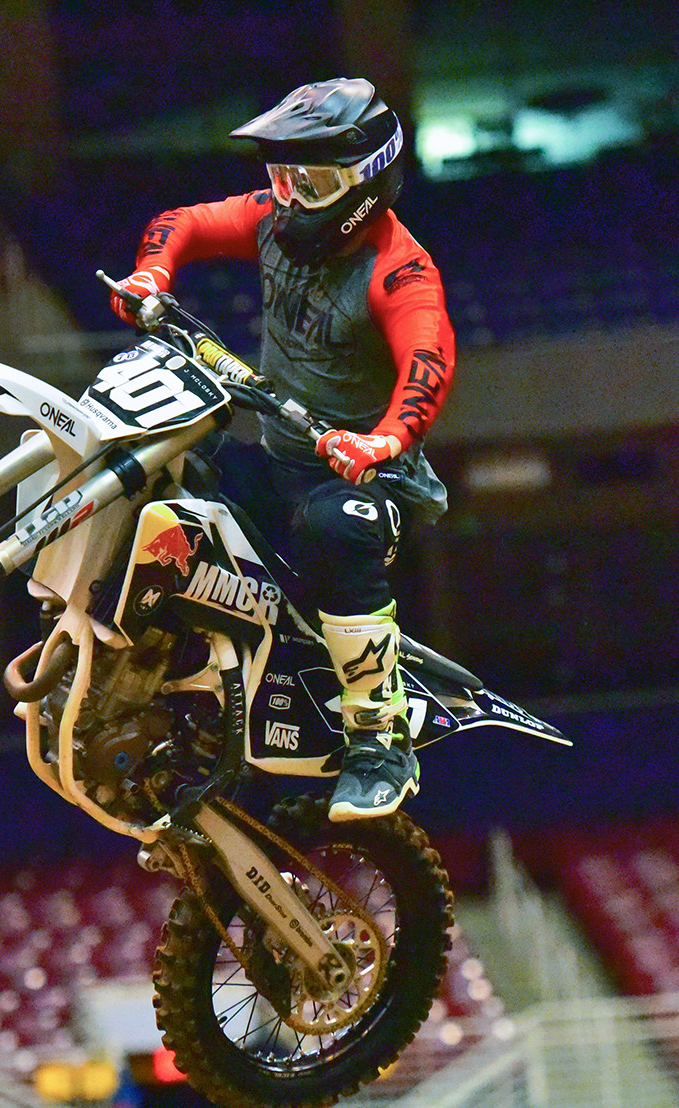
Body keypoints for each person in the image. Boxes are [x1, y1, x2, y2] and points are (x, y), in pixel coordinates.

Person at [110, 76, 456, 822]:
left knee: (334, 527)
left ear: (366, 184)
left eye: (313, 183)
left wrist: (383, 440)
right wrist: (151, 272)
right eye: (282, 177)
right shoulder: (274, 218)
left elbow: (429, 364)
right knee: (169, 462)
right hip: (280, 460)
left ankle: (380, 739)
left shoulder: (399, 269)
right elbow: (184, 222)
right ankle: (161, 667)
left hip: (366, 483)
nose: (291, 198)